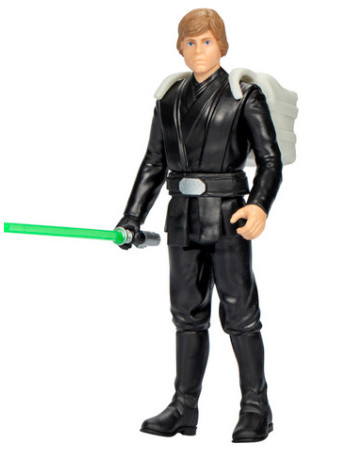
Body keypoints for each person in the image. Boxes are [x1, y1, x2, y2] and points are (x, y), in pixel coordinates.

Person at [116, 8, 283, 443]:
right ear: (180, 47)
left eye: (206, 41)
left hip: (229, 217)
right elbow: (154, 162)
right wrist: (133, 216)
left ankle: (256, 407)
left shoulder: (243, 95)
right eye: (190, 42)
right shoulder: (169, 98)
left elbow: (270, 160)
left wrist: (259, 206)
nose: (198, 50)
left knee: (240, 314)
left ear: (221, 45)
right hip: (181, 220)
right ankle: (183, 407)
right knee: (186, 316)